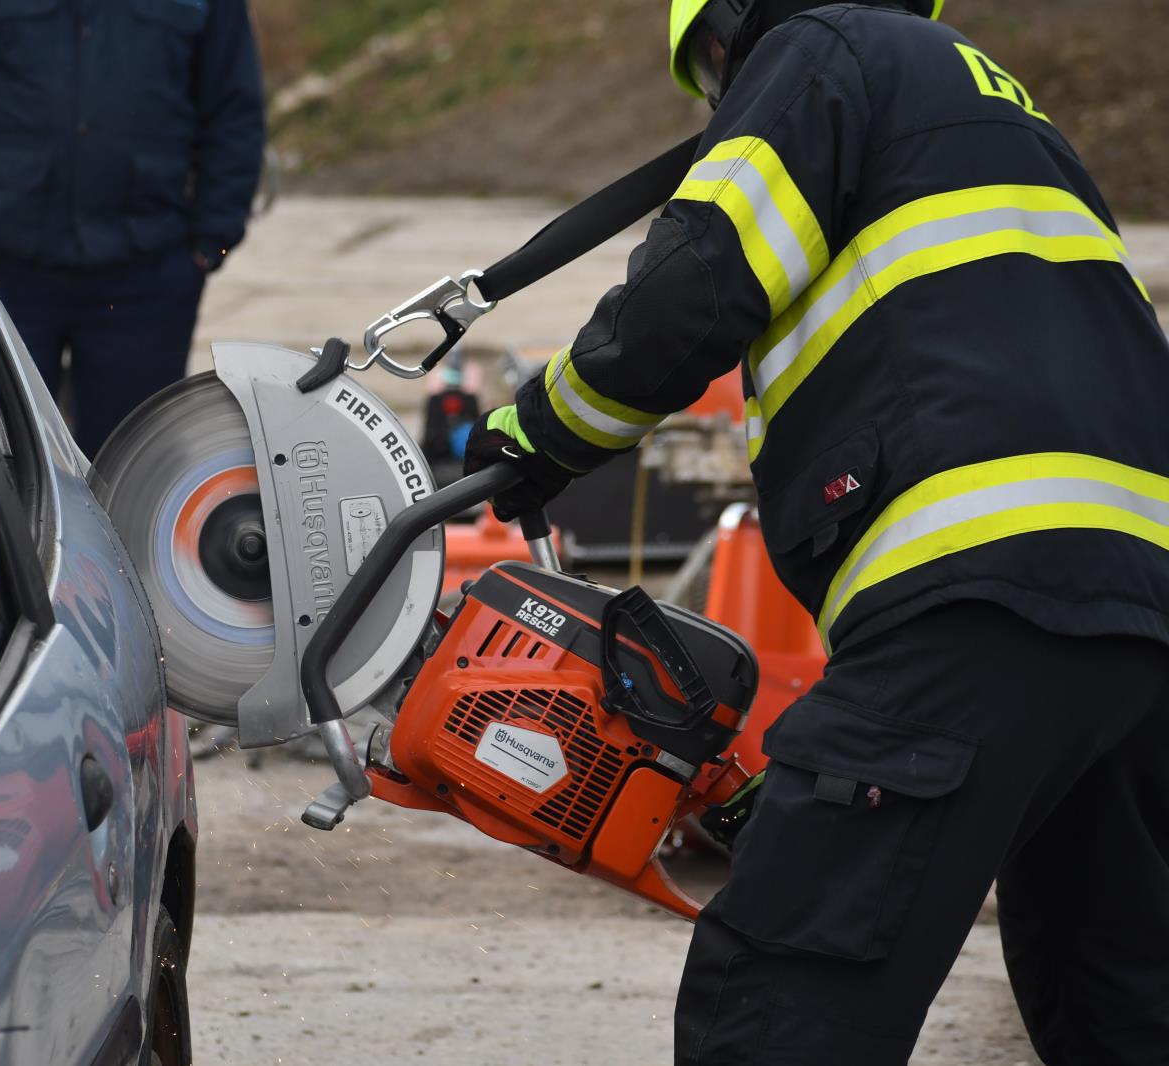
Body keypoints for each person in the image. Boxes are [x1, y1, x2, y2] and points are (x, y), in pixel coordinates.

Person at [463, 1, 1169, 1062]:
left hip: (968, 598)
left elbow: (692, 284)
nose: (720, 98)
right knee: (1118, 1000)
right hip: (1133, 623)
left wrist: (541, 430)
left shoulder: (819, 54)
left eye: (712, 68)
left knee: (775, 1005)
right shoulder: (999, 109)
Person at [0, 0, 266, 458]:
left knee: (133, 467)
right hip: (1, 271)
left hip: (146, 277)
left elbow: (234, 111)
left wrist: (210, 241)